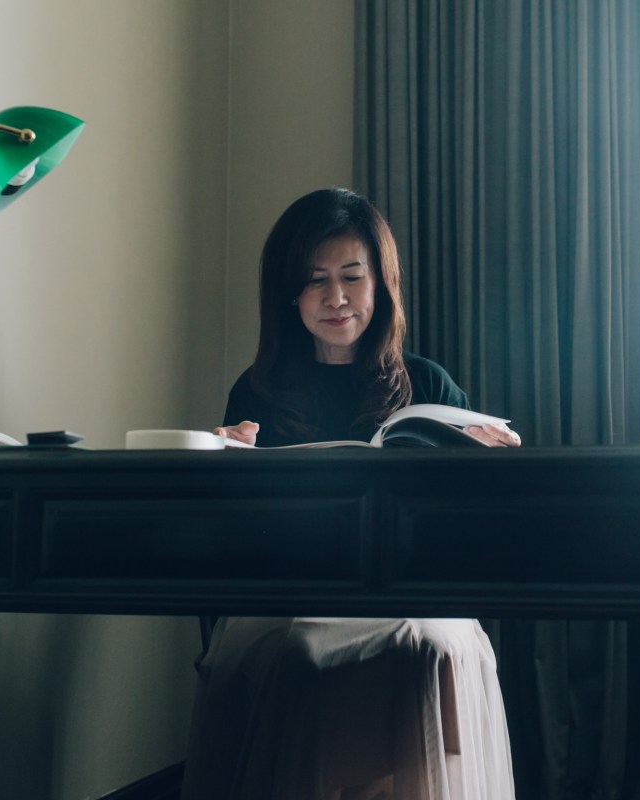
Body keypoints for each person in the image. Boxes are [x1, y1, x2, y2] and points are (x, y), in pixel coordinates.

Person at [180, 188, 519, 800]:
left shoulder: (427, 383)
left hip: (413, 593)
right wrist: (225, 456)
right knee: (299, 651)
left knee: (424, 644)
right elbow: (230, 528)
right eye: (315, 281)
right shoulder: (259, 390)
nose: (336, 298)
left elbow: (472, 526)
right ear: (289, 294)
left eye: (352, 276)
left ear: (380, 284)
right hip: (294, 592)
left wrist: (482, 462)